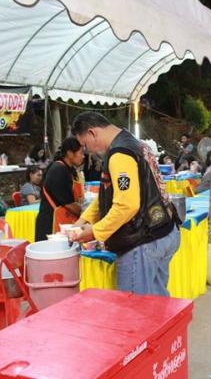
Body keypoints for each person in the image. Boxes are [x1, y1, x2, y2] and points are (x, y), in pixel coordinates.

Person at [70, 112, 181, 296]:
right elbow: (107, 194)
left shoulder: (120, 153)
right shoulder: (134, 143)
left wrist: (96, 232)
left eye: (85, 144)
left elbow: (127, 205)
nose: (88, 151)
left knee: (134, 306)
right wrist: (82, 221)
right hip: (164, 230)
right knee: (156, 302)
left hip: (142, 241)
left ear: (92, 133)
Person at [35, 138, 85, 241]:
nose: (83, 156)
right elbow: (69, 204)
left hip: (62, 222)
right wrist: (86, 215)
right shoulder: (59, 170)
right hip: (51, 225)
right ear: (70, 153)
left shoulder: (68, 169)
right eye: (81, 153)